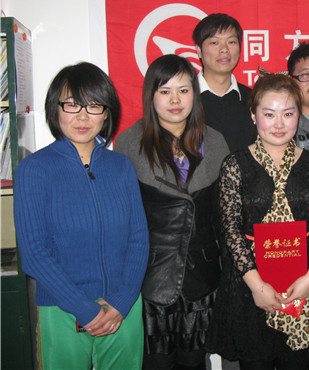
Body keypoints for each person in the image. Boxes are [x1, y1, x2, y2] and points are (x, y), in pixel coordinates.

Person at [14, 62, 149, 369]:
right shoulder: (34, 169)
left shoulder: (121, 166)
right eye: (72, 105)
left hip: (122, 307)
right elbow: (34, 253)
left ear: (106, 113)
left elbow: (139, 239)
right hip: (61, 308)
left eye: (94, 106)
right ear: (56, 108)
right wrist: (84, 309)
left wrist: (122, 301)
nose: (83, 117)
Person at [206, 72, 309, 370]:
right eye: (269, 114)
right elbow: (230, 231)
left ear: (299, 115)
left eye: (288, 114)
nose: (279, 124)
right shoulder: (235, 165)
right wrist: (257, 286)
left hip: (302, 286)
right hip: (250, 289)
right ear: (253, 115)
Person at [115, 54, 230, 370]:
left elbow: (224, 217)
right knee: (156, 363)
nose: (175, 100)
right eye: (165, 91)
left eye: (184, 90)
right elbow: (124, 219)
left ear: (195, 93)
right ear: (150, 96)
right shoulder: (128, 143)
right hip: (151, 277)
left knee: (195, 362)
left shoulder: (215, 141)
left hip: (203, 276)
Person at [193, 13, 256, 153]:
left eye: (231, 42)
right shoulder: (184, 99)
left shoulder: (254, 99)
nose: (224, 49)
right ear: (199, 50)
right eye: (214, 43)